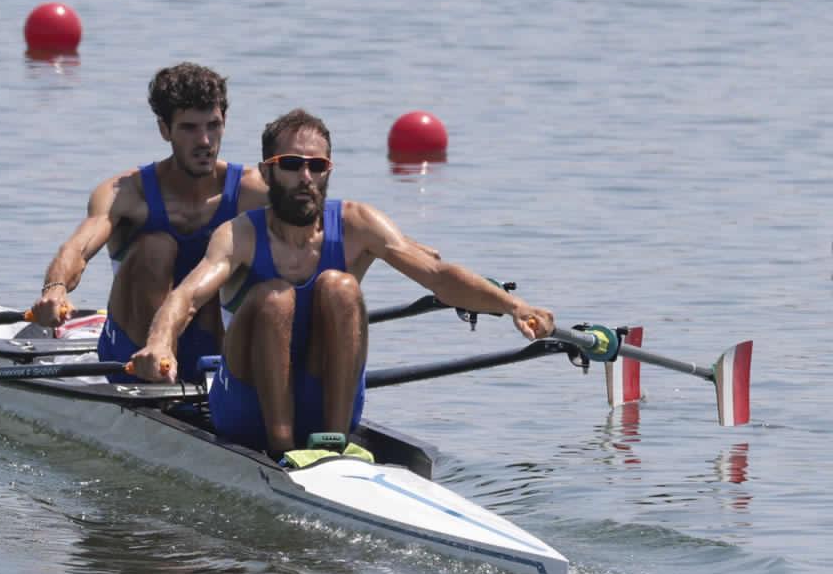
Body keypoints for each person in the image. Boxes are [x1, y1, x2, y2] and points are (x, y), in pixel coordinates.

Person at [130, 108, 555, 459]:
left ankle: (334, 444)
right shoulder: (239, 234)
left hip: (324, 400)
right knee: (275, 298)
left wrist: (514, 306)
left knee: (341, 287)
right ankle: (282, 449)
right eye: (291, 165)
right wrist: (159, 344)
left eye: (317, 166)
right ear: (267, 172)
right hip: (246, 407)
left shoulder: (357, 224)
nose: (306, 177)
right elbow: (186, 297)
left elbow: (438, 276)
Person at [31, 63, 268, 382]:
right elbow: (78, 248)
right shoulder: (127, 193)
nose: (204, 141)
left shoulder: (255, 193)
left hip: (214, 345)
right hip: (132, 351)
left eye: (213, 125)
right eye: (189, 128)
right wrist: (55, 289)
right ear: (164, 129)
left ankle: (225, 383)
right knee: (157, 247)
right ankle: (152, 378)